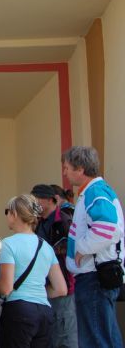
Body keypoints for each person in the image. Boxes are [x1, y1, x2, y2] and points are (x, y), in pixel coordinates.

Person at [62, 146, 124, 348]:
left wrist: (82, 248)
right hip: (97, 275)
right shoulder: (95, 191)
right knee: (105, 337)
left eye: (67, 167)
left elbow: (108, 227)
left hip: (93, 277)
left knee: (96, 340)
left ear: (80, 169)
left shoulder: (94, 191)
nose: (65, 172)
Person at [0, 194, 67, 348]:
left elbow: (6, 288)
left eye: (7, 212)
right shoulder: (46, 246)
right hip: (44, 312)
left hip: (18, 312)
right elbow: (61, 289)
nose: (6, 216)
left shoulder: (8, 244)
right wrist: (36, 291)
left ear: (14, 214)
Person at [31, 184, 77, 348]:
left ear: (51, 200)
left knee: (64, 335)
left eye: (38, 199)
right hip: (46, 287)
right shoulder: (39, 222)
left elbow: (67, 254)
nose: (35, 203)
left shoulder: (63, 221)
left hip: (63, 287)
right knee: (51, 335)